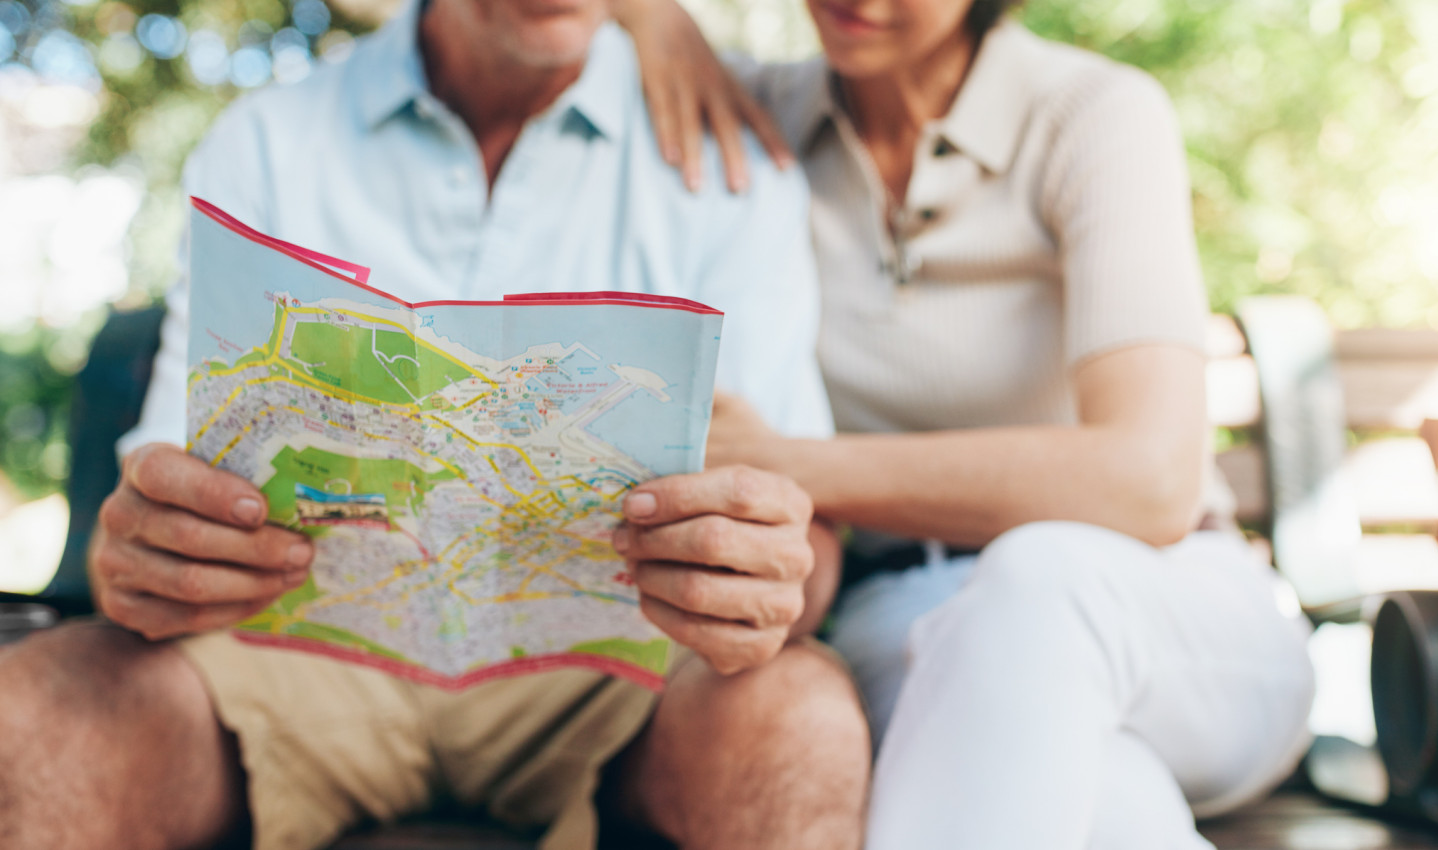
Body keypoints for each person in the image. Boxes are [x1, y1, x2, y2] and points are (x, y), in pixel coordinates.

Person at [0, 1, 873, 849]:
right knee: (33, 714)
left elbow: (805, 542)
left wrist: (771, 580)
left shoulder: (734, 166)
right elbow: (157, 495)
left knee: (799, 724)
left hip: (617, 683)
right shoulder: (267, 139)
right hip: (297, 662)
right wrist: (147, 553)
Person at [613, 0, 1318, 846]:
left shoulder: (1089, 112)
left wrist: (795, 464)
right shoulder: (753, 118)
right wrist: (651, 14)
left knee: (1035, 581)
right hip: (905, 632)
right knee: (1111, 804)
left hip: (1159, 610)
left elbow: (1152, 479)